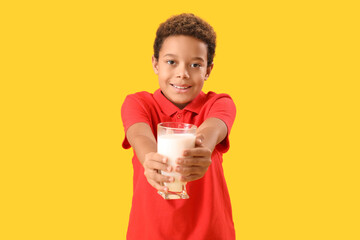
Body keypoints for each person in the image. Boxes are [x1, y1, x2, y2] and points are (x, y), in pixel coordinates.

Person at [121, 13, 236, 240]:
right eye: (171, 62)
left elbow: (213, 128)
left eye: (195, 64)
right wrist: (150, 158)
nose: (182, 73)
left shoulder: (219, 103)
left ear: (208, 70)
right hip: (148, 234)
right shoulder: (138, 103)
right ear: (155, 63)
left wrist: (201, 146)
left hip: (211, 234)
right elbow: (139, 134)